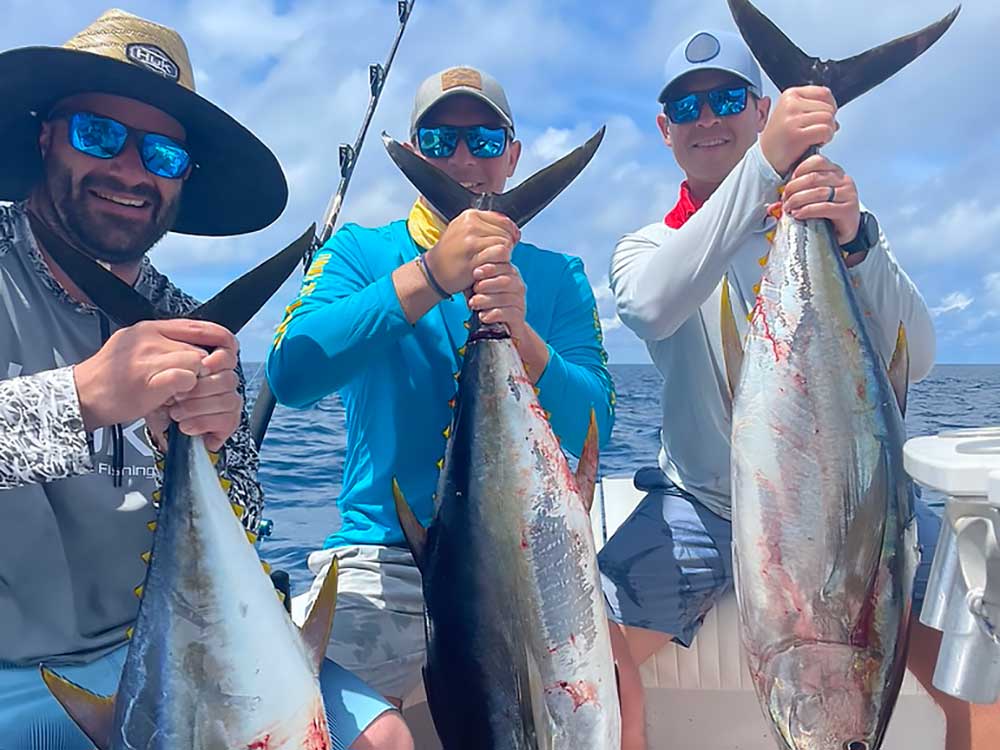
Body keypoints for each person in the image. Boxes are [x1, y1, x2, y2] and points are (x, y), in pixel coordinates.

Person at [0, 10, 410, 749]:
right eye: (99, 134)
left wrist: (215, 452)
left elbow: (249, 525)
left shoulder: (188, 324)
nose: (130, 170)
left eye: (161, 153)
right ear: (44, 138)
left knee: (382, 739)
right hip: (11, 673)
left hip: (178, 633)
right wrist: (83, 398)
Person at [601, 27, 1000, 750]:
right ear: (664, 130)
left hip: (854, 507)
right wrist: (767, 165)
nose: (708, 119)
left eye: (726, 99)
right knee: (585, 657)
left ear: (758, 109)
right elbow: (652, 304)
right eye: (687, 108)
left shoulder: (831, 223)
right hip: (703, 506)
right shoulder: (650, 247)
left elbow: (924, 352)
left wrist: (856, 241)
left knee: (986, 668)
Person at [266, 64, 627, 735]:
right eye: (439, 141)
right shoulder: (363, 254)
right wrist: (431, 276)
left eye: (485, 141)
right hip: (382, 563)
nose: (463, 159)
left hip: (531, 555)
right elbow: (292, 372)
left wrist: (522, 338)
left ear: (513, 154)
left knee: (619, 701)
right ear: (415, 151)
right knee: (304, 726)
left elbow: (595, 423)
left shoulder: (558, 276)